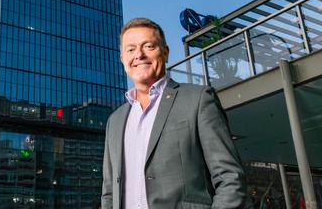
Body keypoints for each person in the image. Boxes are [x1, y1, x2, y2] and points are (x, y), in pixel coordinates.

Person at [101, 18, 245, 209]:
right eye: (130, 49)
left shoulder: (198, 99)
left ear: (165, 53)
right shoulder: (115, 120)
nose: (139, 55)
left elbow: (230, 178)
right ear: (122, 59)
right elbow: (109, 192)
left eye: (148, 46)